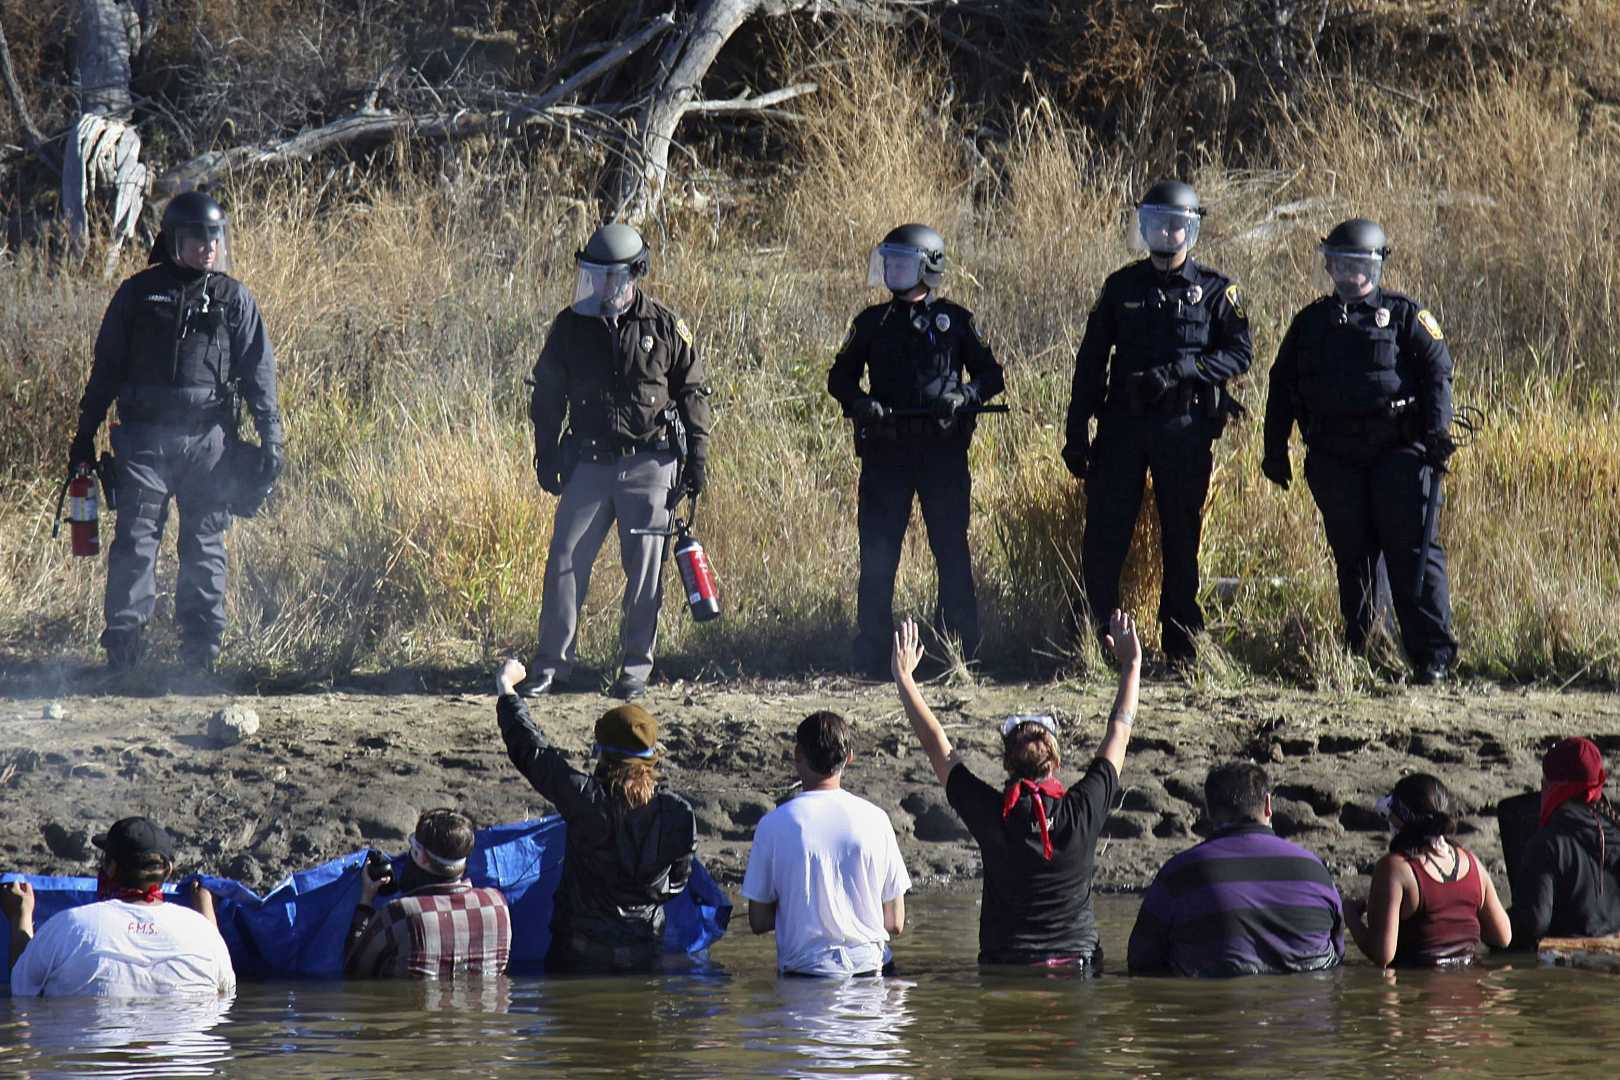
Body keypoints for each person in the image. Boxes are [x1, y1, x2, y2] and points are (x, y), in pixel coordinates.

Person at [68, 190, 284, 673]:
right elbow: (105, 370)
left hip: (210, 444)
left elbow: (259, 376)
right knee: (135, 540)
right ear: (173, 241)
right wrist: (84, 434)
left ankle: (200, 659)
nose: (208, 247)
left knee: (205, 543)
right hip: (143, 443)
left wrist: (273, 440)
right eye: (197, 238)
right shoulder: (138, 294)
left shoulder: (234, 299)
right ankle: (123, 654)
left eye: (215, 237)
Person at [1062, 181, 1252, 664]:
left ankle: (1182, 643)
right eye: (1156, 224)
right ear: (1143, 227)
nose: (1166, 233)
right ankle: (1096, 635)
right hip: (1123, 427)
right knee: (1105, 533)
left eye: (1175, 224)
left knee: (1181, 535)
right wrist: (1075, 431)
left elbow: (1239, 352)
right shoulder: (1121, 286)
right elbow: (1090, 361)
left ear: (1191, 229)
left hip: (1183, 427)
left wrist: (1184, 370)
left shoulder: (1215, 290)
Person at [522, 223, 713, 701]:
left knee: (645, 568)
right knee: (565, 560)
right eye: (594, 274)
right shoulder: (570, 326)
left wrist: (698, 459)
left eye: (612, 277)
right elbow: (547, 395)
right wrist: (546, 452)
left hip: (651, 462)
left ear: (635, 275)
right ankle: (551, 665)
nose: (602, 286)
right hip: (588, 461)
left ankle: (634, 668)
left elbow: (693, 394)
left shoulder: (666, 326)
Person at [1262, 218, 1458, 684]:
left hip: (1400, 454)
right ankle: (1360, 648)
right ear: (1329, 266)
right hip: (1335, 458)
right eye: (1342, 265)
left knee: (1414, 554)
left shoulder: (1405, 316)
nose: (1352, 275)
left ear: (1377, 266)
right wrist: (1275, 449)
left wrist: (1437, 433)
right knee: (1353, 557)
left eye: (1360, 265)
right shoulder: (1310, 323)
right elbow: (1281, 385)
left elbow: (1437, 372)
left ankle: (1432, 656)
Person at [891, 611, 1139, 968]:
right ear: (1056, 760)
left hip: (1006, 967)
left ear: (1007, 763)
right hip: (1077, 969)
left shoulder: (993, 812)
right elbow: (1120, 731)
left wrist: (904, 679)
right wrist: (1132, 666)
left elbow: (937, 747)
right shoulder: (1084, 807)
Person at [826, 224, 1005, 679]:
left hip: (942, 454)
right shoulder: (872, 323)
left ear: (929, 267)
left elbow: (992, 375)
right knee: (878, 556)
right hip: (886, 455)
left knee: (951, 552)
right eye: (889, 262)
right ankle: (873, 656)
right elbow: (839, 377)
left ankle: (959, 654)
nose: (892, 271)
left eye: (902, 263)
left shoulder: (957, 322)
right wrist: (861, 402)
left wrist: (964, 396)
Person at [496, 658, 697, 972]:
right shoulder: (678, 813)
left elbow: (532, 751)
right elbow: (676, 884)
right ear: (652, 757)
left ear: (601, 753)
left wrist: (507, 689)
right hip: (644, 953)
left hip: (578, 957)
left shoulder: (586, 799)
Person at [1127, 762, 1344, 977]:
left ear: (1209, 812)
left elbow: (1141, 961)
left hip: (1216, 1003)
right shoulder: (1316, 870)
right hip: (1306, 1004)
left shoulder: (1180, 874)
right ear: (1268, 805)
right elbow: (1337, 953)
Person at [742, 711, 911, 977]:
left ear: (797, 755)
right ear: (849, 758)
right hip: (873, 972)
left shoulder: (772, 825)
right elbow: (895, 922)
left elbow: (759, 921)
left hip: (805, 976)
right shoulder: (877, 819)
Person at [2, 817, 235, 997]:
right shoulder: (203, 933)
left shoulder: (69, 926)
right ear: (169, 871)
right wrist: (207, 916)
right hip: (189, 1059)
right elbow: (226, 992)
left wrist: (19, 915)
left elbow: (21, 987)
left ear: (110, 867)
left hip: (86, 1058)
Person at [1345, 773, 1511, 967]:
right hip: (1472, 987)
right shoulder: (1471, 862)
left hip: (1419, 991)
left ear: (1400, 816)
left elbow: (1382, 955)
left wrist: (1350, 916)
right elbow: (1503, 937)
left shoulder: (1396, 868)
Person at [344, 808, 512, 979]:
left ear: (422, 857)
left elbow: (354, 970)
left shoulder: (401, 913)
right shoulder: (497, 903)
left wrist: (365, 901)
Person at [1511, 736, 1620, 945]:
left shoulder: (1547, 843)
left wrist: (1493, 925)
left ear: (1553, 787)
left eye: (1544, 782)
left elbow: (1534, 923)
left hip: (1573, 966)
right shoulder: (1615, 831)